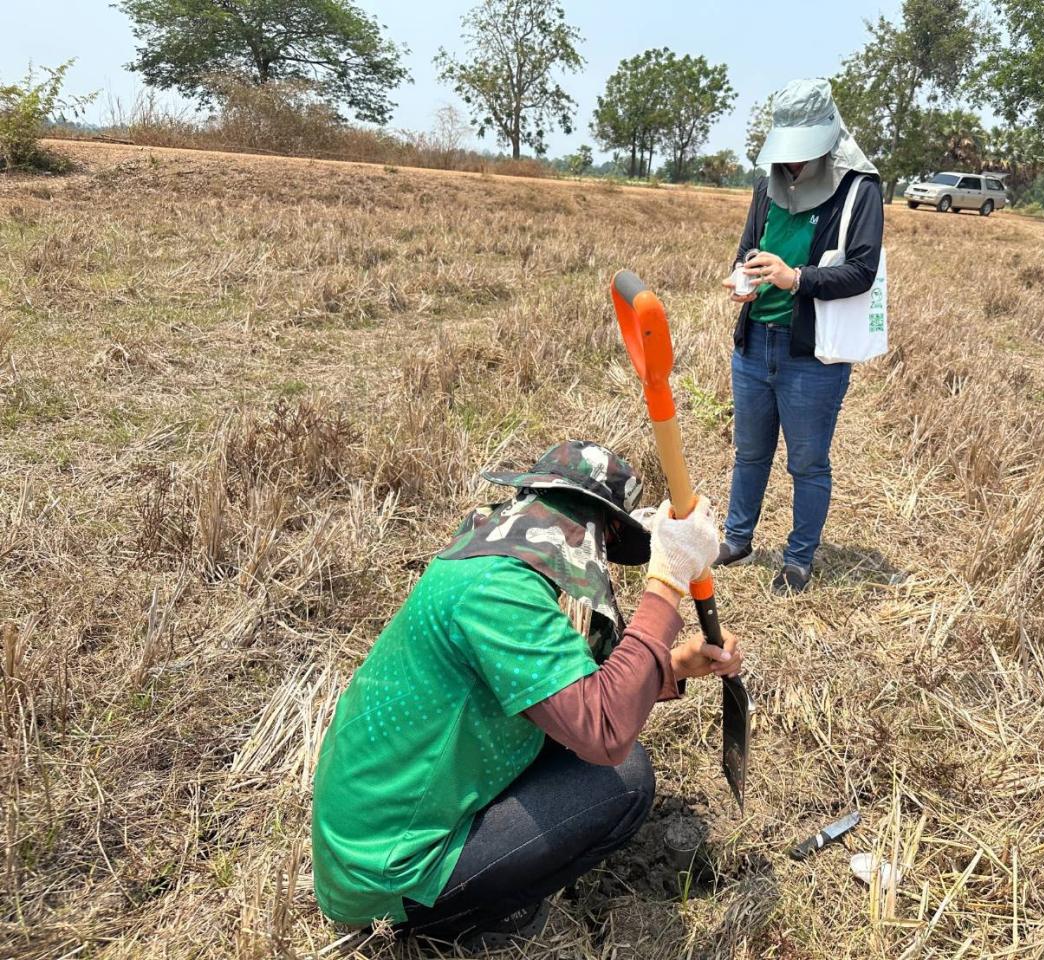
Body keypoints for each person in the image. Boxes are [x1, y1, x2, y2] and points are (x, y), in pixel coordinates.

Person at [310, 440, 739, 948]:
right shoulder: (499, 591)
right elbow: (605, 731)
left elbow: (578, 689)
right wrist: (666, 584)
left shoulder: (487, 566)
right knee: (622, 780)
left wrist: (674, 665)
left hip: (380, 834)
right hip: (388, 869)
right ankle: (446, 923)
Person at [716, 78, 884, 595]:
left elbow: (862, 271)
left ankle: (797, 558)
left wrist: (796, 279)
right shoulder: (766, 185)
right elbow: (748, 247)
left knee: (807, 462)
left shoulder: (859, 188)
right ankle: (737, 538)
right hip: (754, 345)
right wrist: (742, 279)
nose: (792, 165)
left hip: (810, 356)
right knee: (749, 453)